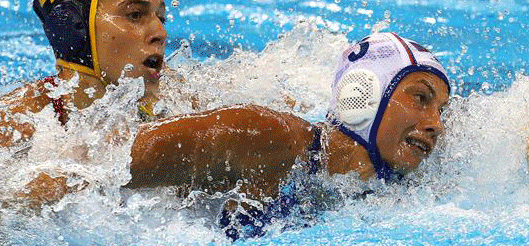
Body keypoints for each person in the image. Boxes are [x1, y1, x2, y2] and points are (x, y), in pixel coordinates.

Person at [127, 32, 450, 239]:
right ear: (363, 94)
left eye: (441, 111)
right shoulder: (268, 136)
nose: (436, 124)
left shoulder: (388, 188)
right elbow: (104, 162)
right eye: (420, 98)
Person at [0, 0, 167, 210]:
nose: (160, 33)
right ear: (73, 27)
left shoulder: (180, 96)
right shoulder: (9, 127)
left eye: (162, 18)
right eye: (135, 15)